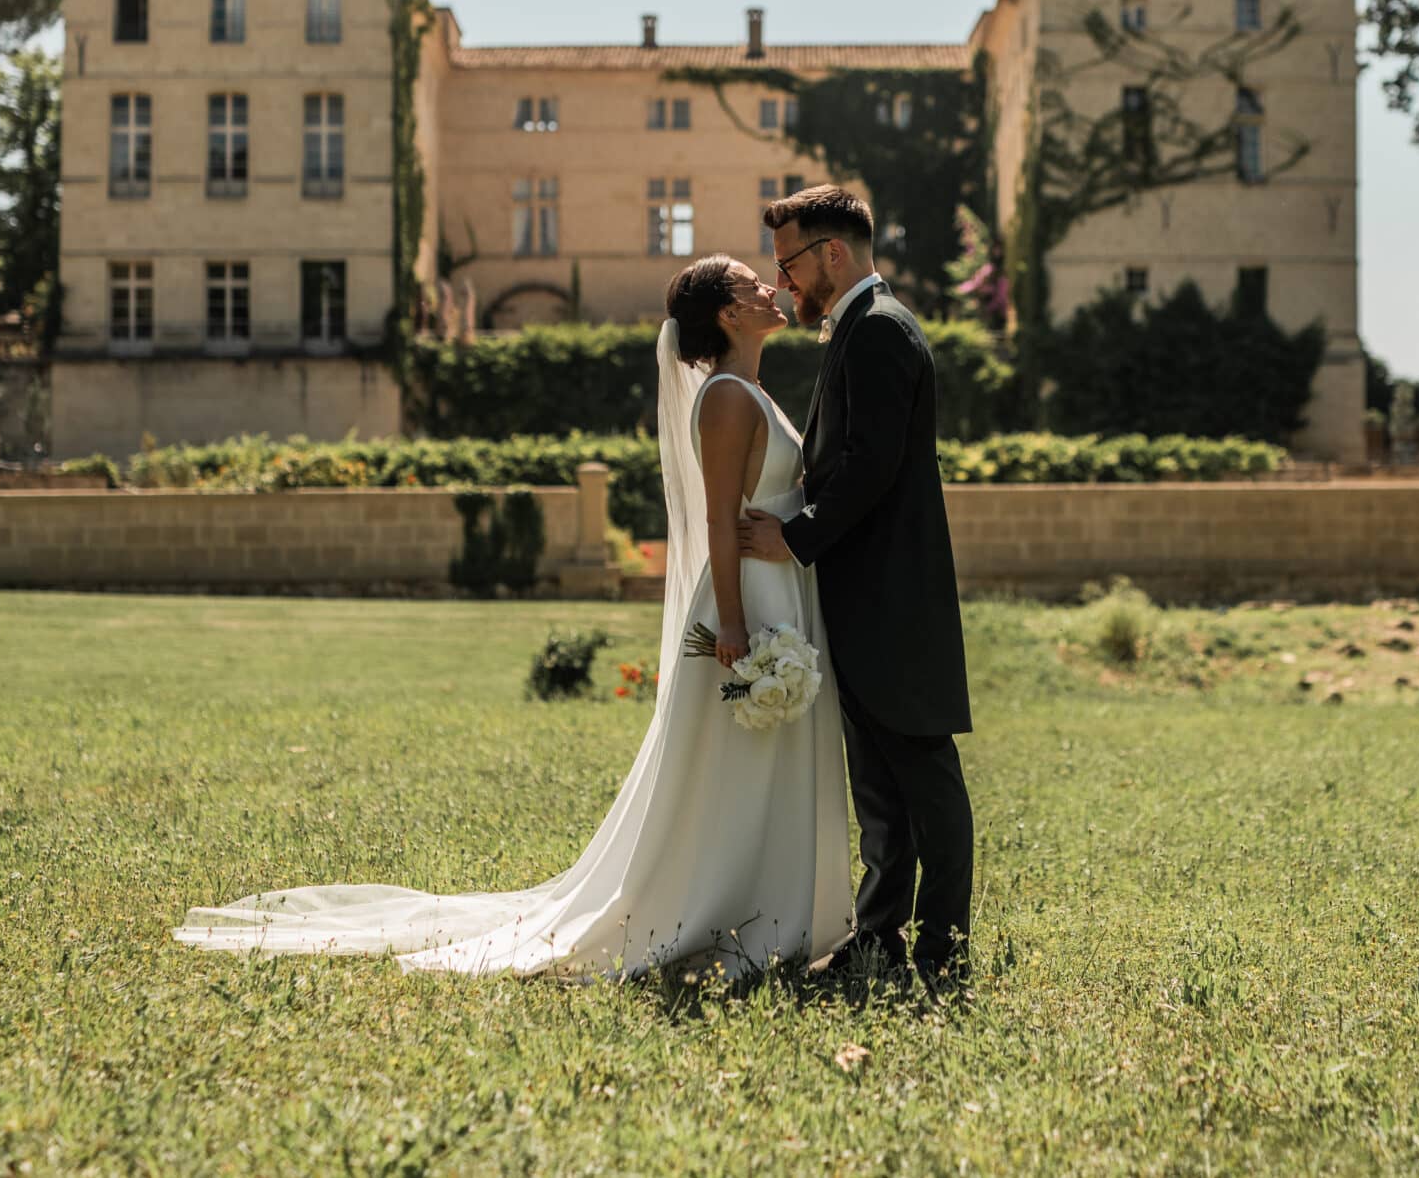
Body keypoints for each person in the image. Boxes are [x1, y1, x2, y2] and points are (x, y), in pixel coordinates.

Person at [172, 256, 849, 979]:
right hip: (745, 597)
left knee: (765, 758)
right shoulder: (726, 398)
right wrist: (734, 624)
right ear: (728, 313)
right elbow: (717, 519)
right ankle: (717, 908)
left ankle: (770, 906)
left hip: (780, 587)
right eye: (751, 284)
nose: (770, 288)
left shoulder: (752, 389)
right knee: (729, 764)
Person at [742, 185, 975, 983]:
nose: (784, 281)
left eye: (790, 263)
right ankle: (878, 940)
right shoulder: (860, 326)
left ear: (832, 253)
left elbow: (869, 465)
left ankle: (943, 950)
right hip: (869, 598)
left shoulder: (879, 329)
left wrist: (794, 537)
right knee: (880, 790)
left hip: (894, 601)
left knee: (925, 783)